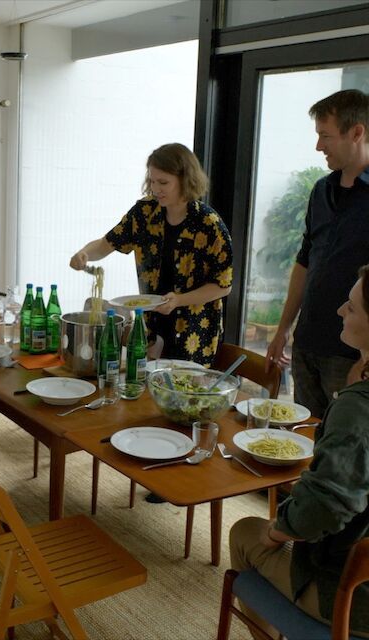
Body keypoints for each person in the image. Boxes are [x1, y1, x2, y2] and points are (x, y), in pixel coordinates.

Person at [230, 265, 369, 638]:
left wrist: (278, 531)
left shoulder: (358, 409)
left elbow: (327, 505)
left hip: (352, 599)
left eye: (352, 308)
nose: (340, 310)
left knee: (245, 532)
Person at [69, 143, 233, 367]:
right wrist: (84, 253)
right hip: (152, 326)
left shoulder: (209, 224)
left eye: (163, 182)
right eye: (152, 181)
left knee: (181, 394)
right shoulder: (145, 213)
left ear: (186, 180)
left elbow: (223, 285)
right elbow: (107, 244)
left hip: (194, 331)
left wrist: (179, 300)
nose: (156, 189)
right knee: (148, 390)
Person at [266, 89, 369, 418]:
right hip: (307, 343)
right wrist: (283, 329)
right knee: (304, 443)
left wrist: (366, 363)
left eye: (326, 136)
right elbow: (304, 261)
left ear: (357, 132)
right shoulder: (321, 190)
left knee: (342, 454)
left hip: (350, 354)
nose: (318, 146)